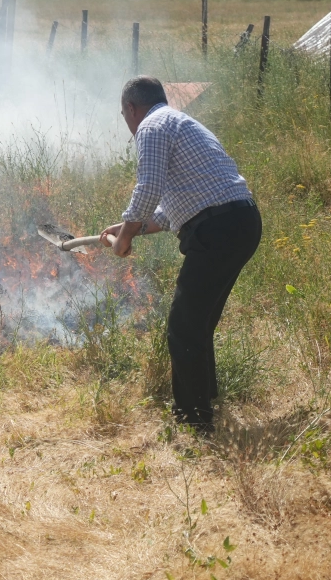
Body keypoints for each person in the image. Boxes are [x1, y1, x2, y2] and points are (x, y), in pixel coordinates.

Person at [102, 76, 260, 436]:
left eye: (124, 115)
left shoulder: (151, 126)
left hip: (219, 228)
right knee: (198, 324)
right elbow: (169, 212)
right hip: (239, 221)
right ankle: (205, 402)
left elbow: (148, 187)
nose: (127, 124)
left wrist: (125, 237)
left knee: (184, 327)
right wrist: (127, 228)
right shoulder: (179, 123)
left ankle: (194, 421)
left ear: (130, 108)